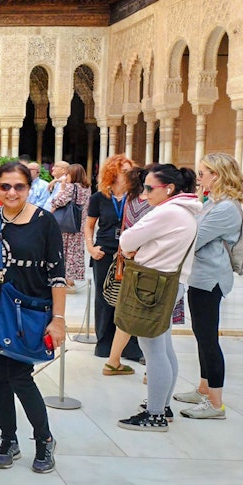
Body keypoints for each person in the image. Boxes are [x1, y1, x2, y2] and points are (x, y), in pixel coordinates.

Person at [0, 161, 65, 474]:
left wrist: (58, 318)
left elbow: (57, 274)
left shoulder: (44, 221)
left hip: (26, 310)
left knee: (19, 375)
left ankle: (44, 439)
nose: (12, 192)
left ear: (29, 188)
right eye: (5, 186)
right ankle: (8, 439)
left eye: (19, 186)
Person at [116, 164, 201, 431]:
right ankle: (162, 406)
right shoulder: (185, 210)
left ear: (169, 189)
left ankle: (155, 415)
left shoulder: (168, 212)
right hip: (170, 283)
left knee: (153, 350)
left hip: (154, 285)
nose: (145, 194)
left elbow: (127, 239)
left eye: (150, 188)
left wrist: (132, 248)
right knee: (163, 347)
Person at [175, 153, 243, 419]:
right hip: (200, 277)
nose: (199, 177)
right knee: (201, 334)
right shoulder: (214, 202)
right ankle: (204, 388)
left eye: (202, 173)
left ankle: (216, 404)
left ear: (216, 175)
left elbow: (195, 238)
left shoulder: (226, 208)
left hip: (210, 279)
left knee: (208, 339)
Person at [86, 154, 144, 364]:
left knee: (128, 297)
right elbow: (89, 225)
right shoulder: (99, 198)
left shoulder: (137, 197)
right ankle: (104, 343)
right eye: (124, 171)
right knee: (104, 297)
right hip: (105, 251)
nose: (129, 174)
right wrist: (91, 248)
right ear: (113, 173)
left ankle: (130, 346)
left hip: (130, 252)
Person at [102, 165, 152, 376]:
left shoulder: (131, 200)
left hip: (130, 261)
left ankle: (113, 361)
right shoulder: (152, 205)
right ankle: (153, 370)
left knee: (128, 312)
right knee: (151, 316)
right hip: (148, 265)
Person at [50, 164, 91, 290]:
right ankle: (71, 279)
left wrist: (61, 189)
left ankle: (66, 279)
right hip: (79, 224)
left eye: (68, 174)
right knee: (75, 251)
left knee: (64, 250)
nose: (66, 176)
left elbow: (57, 201)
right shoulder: (87, 188)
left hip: (67, 223)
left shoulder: (70, 187)